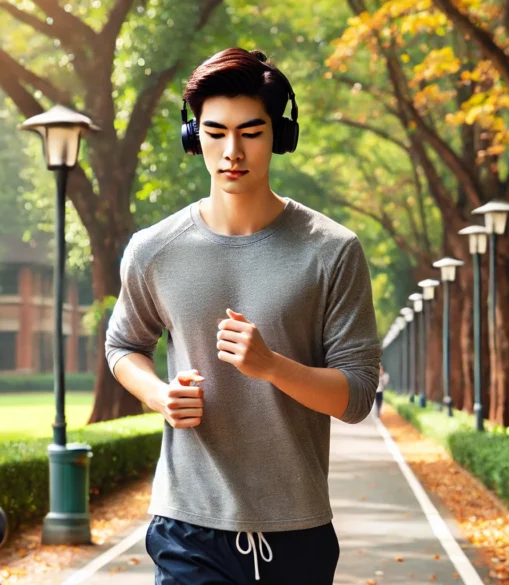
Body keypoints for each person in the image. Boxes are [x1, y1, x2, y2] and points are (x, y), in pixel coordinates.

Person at [104, 47, 382, 585]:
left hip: (296, 528)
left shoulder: (332, 250)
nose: (231, 151)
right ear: (193, 136)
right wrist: (159, 395)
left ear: (279, 135)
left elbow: (357, 395)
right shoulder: (153, 249)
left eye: (251, 132)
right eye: (214, 132)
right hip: (188, 525)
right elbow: (123, 346)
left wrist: (272, 366)